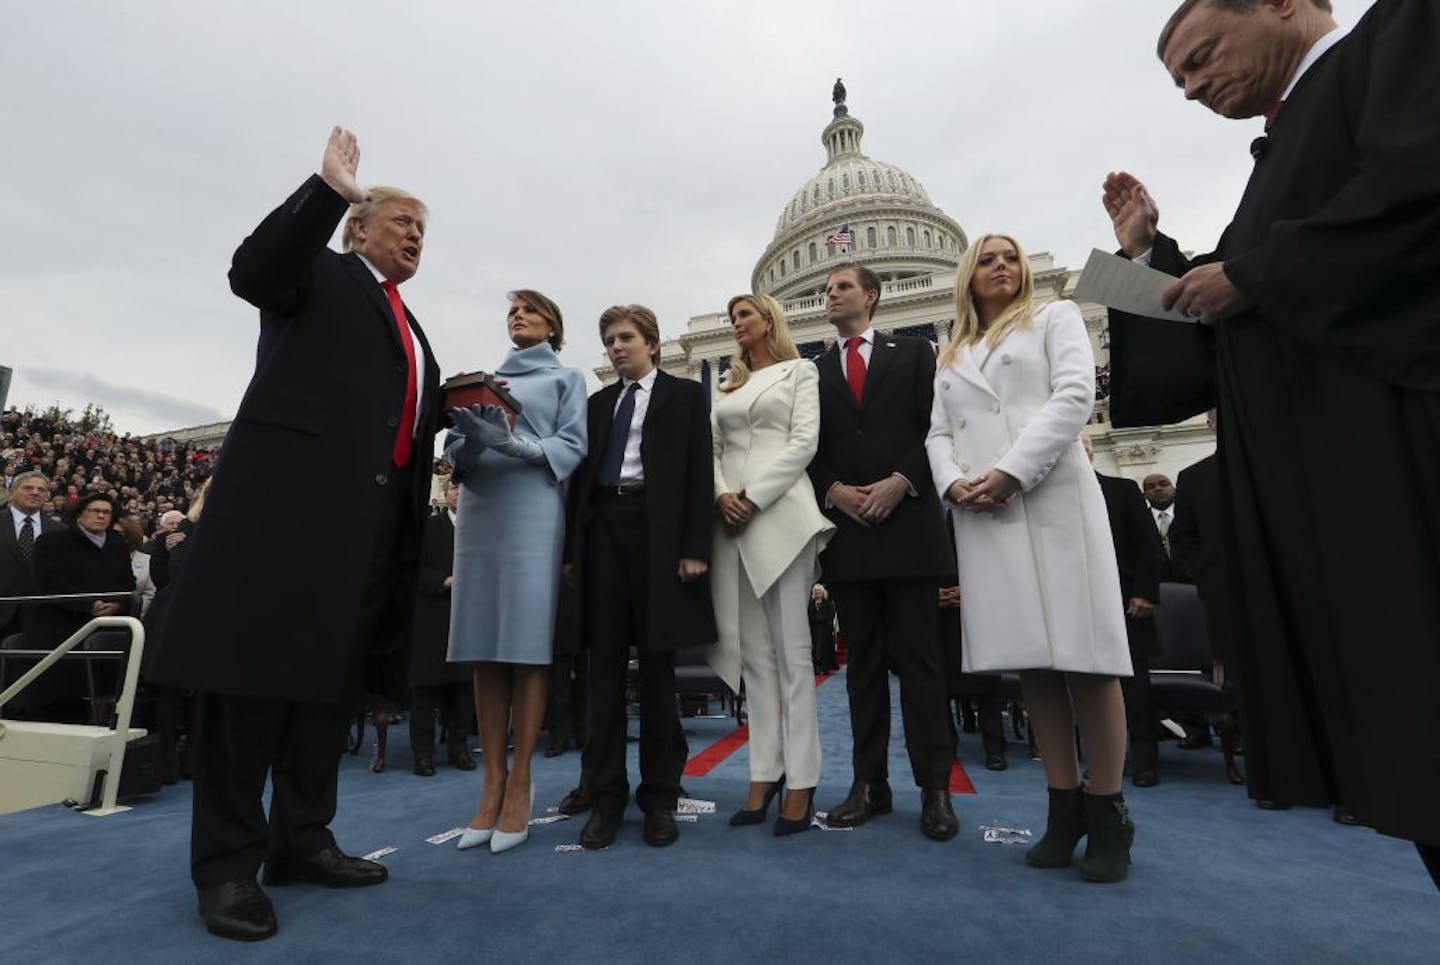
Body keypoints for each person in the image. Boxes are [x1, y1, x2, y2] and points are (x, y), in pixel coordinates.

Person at [1102, 0, 1440, 887]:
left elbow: (1416, 197)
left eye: (1201, 56)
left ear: (1289, 4)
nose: (1191, 87)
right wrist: (1150, 259)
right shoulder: (1281, 149)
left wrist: (1252, 274)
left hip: (1405, 464)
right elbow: (1225, 333)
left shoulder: (1402, 36)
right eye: (1177, 78)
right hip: (1339, 503)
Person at [146, 128, 443, 941]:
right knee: (248, 694)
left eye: (426, 228)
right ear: (359, 226)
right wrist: (327, 191)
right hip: (284, 525)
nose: (416, 234)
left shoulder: (413, 330)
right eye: (402, 220)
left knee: (325, 693)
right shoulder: (320, 271)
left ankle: (303, 838)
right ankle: (229, 868)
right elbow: (254, 270)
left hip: (369, 537)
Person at [926, 234, 1135, 882]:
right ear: (967, 275)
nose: (1000, 266)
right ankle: (1062, 804)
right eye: (986, 258)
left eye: (1009, 256)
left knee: (1087, 659)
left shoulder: (1056, 317)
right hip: (986, 514)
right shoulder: (953, 352)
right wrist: (953, 483)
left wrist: (1011, 471)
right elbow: (936, 432)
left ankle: (1107, 811)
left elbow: (1074, 396)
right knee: (1035, 667)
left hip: (1052, 499)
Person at [807, 263, 958, 841]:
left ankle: (935, 789)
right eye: (826, 289)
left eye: (842, 286)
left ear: (871, 296)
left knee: (922, 667)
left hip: (908, 526)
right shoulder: (813, 370)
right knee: (861, 669)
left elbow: (938, 428)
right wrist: (833, 490)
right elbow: (807, 446)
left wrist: (902, 480)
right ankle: (868, 783)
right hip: (850, 534)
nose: (831, 294)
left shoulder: (916, 355)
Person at [567, 304, 716, 850]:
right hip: (603, 531)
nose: (615, 348)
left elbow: (701, 472)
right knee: (601, 673)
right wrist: (571, 550)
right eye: (608, 340)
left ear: (652, 343)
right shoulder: (598, 403)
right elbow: (581, 478)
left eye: (625, 337)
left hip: (659, 535)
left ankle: (659, 797)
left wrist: (694, 547)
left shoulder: (686, 396)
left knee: (657, 672)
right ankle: (605, 797)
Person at [445, 289, 587, 854]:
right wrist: (469, 447)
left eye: (530, 311)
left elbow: (572, 446)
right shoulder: (479, 381)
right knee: (483, 645)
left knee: (525, 647)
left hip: (533, 508)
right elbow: (459, 452)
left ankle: (521, 780)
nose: (518, 317)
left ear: (552, 325)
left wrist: (516, 444)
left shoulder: (567, 378)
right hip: (481, 511)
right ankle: (491, 783)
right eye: (512, 311)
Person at [709, 293, 835, 834]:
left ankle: (802, 780)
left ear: (768, 322)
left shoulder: (800, 371)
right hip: (730, 524)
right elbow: (712, 449)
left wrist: (753, 496)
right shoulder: (726, 386)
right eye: (732, 317)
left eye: (746, 315)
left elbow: (804, 442)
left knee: (794, 654)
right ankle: (764, 772)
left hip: (781, 514)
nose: (737, 323)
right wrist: (722, 497)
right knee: (754, 657)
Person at [1087, 436, 1165, 788]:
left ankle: (1145, 762)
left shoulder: (1123, 489)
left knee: (1136, 690)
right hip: (1083, 608)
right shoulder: (1052, 501)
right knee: (1092, 692)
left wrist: (1144, 593)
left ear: (1089, 453)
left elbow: (1147, 544)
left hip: (1126, 604)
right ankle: (1105, 762)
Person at [407, 476, 475, 777]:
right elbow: (412, 569)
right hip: (433, 617)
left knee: (463, 692)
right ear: (445, 494)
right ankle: (423, 755)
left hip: (468, 619)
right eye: (454, 489)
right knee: (425, 694)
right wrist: (442, 581)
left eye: (465, 489)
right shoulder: (430, 527)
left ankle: (459, 750)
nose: (459, 494)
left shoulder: (480, 528)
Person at [1, 471, 62, 643]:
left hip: (43, 617)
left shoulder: (59, 531)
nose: (35, 492)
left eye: (41, 490)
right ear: (12, 493)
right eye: (28, 488)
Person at [808, 583, 838, 674]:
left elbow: (831, 615)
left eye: (819, 591)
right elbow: (810, 615)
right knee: (815, 649)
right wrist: (817, 618)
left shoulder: (828, 603)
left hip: (825, 630)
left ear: (822, 592)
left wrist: (820, 618)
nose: (817, 593)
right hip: (815, 630)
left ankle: (825, 668)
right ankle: (816, 668)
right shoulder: (810, 604)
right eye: (816, 591)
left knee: (825, 649)